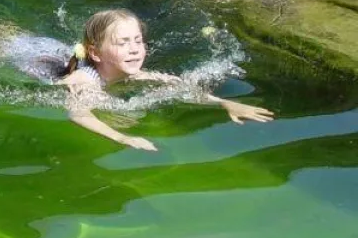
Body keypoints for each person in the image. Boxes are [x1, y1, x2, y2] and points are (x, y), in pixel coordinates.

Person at [60, 9, 273, 151]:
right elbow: (79, 114)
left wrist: (224, 102)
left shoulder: (138, 74)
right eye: (123, 43)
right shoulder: (83, 81)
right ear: (95, 54)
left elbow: (180, 87)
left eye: (138, 41)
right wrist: (122, 138)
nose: (134, 49)